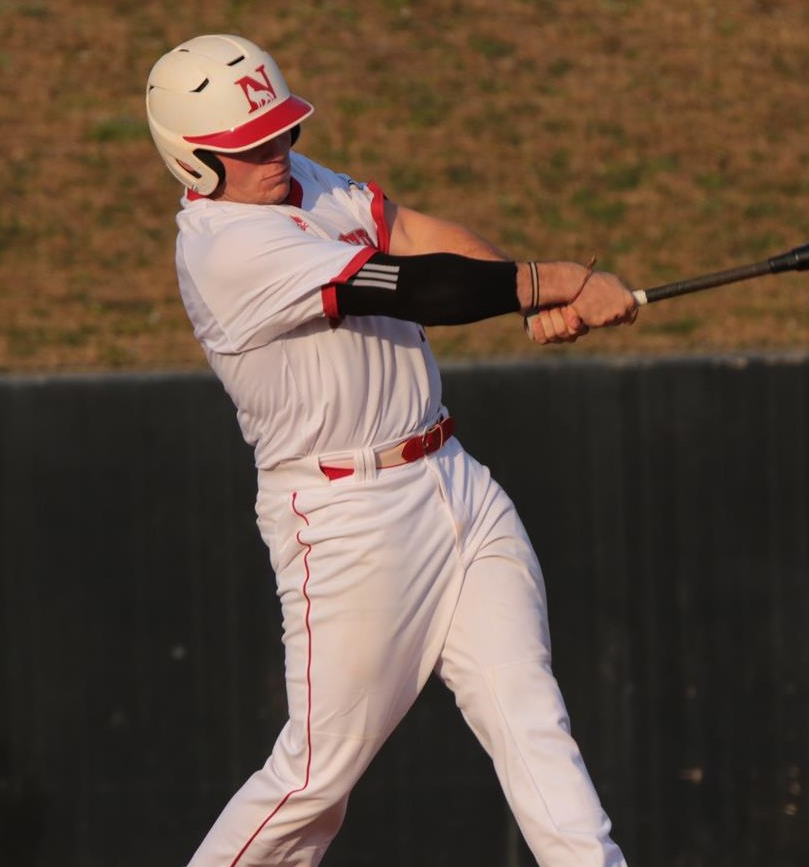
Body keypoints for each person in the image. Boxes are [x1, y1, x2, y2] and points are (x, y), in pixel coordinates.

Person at [146, 33, 638, 867]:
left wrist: (524, 298)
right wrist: (548, 280)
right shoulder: (226, 246)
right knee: (314, 779)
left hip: (454, 482)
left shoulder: (304, 183)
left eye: (281, 130)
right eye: (248, 145)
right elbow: (409, 285)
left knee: (529, 711)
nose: (276, 152)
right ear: (194, 163)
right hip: (345, 518)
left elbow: (411, 232)